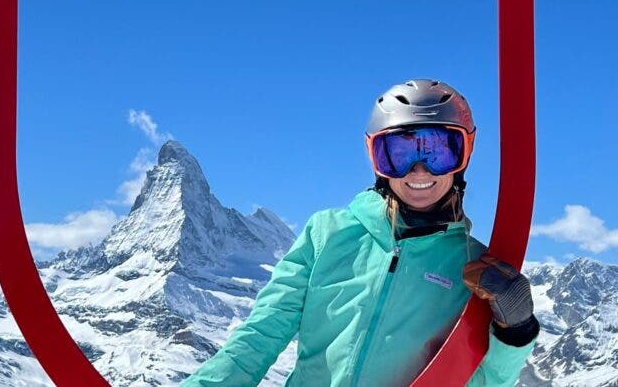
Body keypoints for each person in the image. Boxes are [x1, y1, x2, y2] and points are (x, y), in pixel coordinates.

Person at [181, 79, 539, 387]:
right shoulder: (327, 233)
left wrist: (515, 335)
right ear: (376, 158)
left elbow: (476, 380)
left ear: (464, 155)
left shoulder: (474, 269)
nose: (418, 170)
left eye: (438, 151)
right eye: (398, 153)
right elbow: (259, 338)